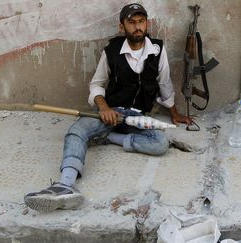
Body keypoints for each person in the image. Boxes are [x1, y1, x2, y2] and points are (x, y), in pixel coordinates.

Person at [24, 3, 192, 212]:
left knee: (159, 144)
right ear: (122, 26)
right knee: (77, 131)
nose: (137, 27)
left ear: (146, 24)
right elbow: (96, 85)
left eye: (141, 22)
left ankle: (108, 138)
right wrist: (104, 109)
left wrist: (174, 113)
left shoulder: (157, 50)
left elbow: (164, 83)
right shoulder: (112, 51)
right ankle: (64, 186)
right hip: (110, 112)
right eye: (131, 22)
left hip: (137, 117)